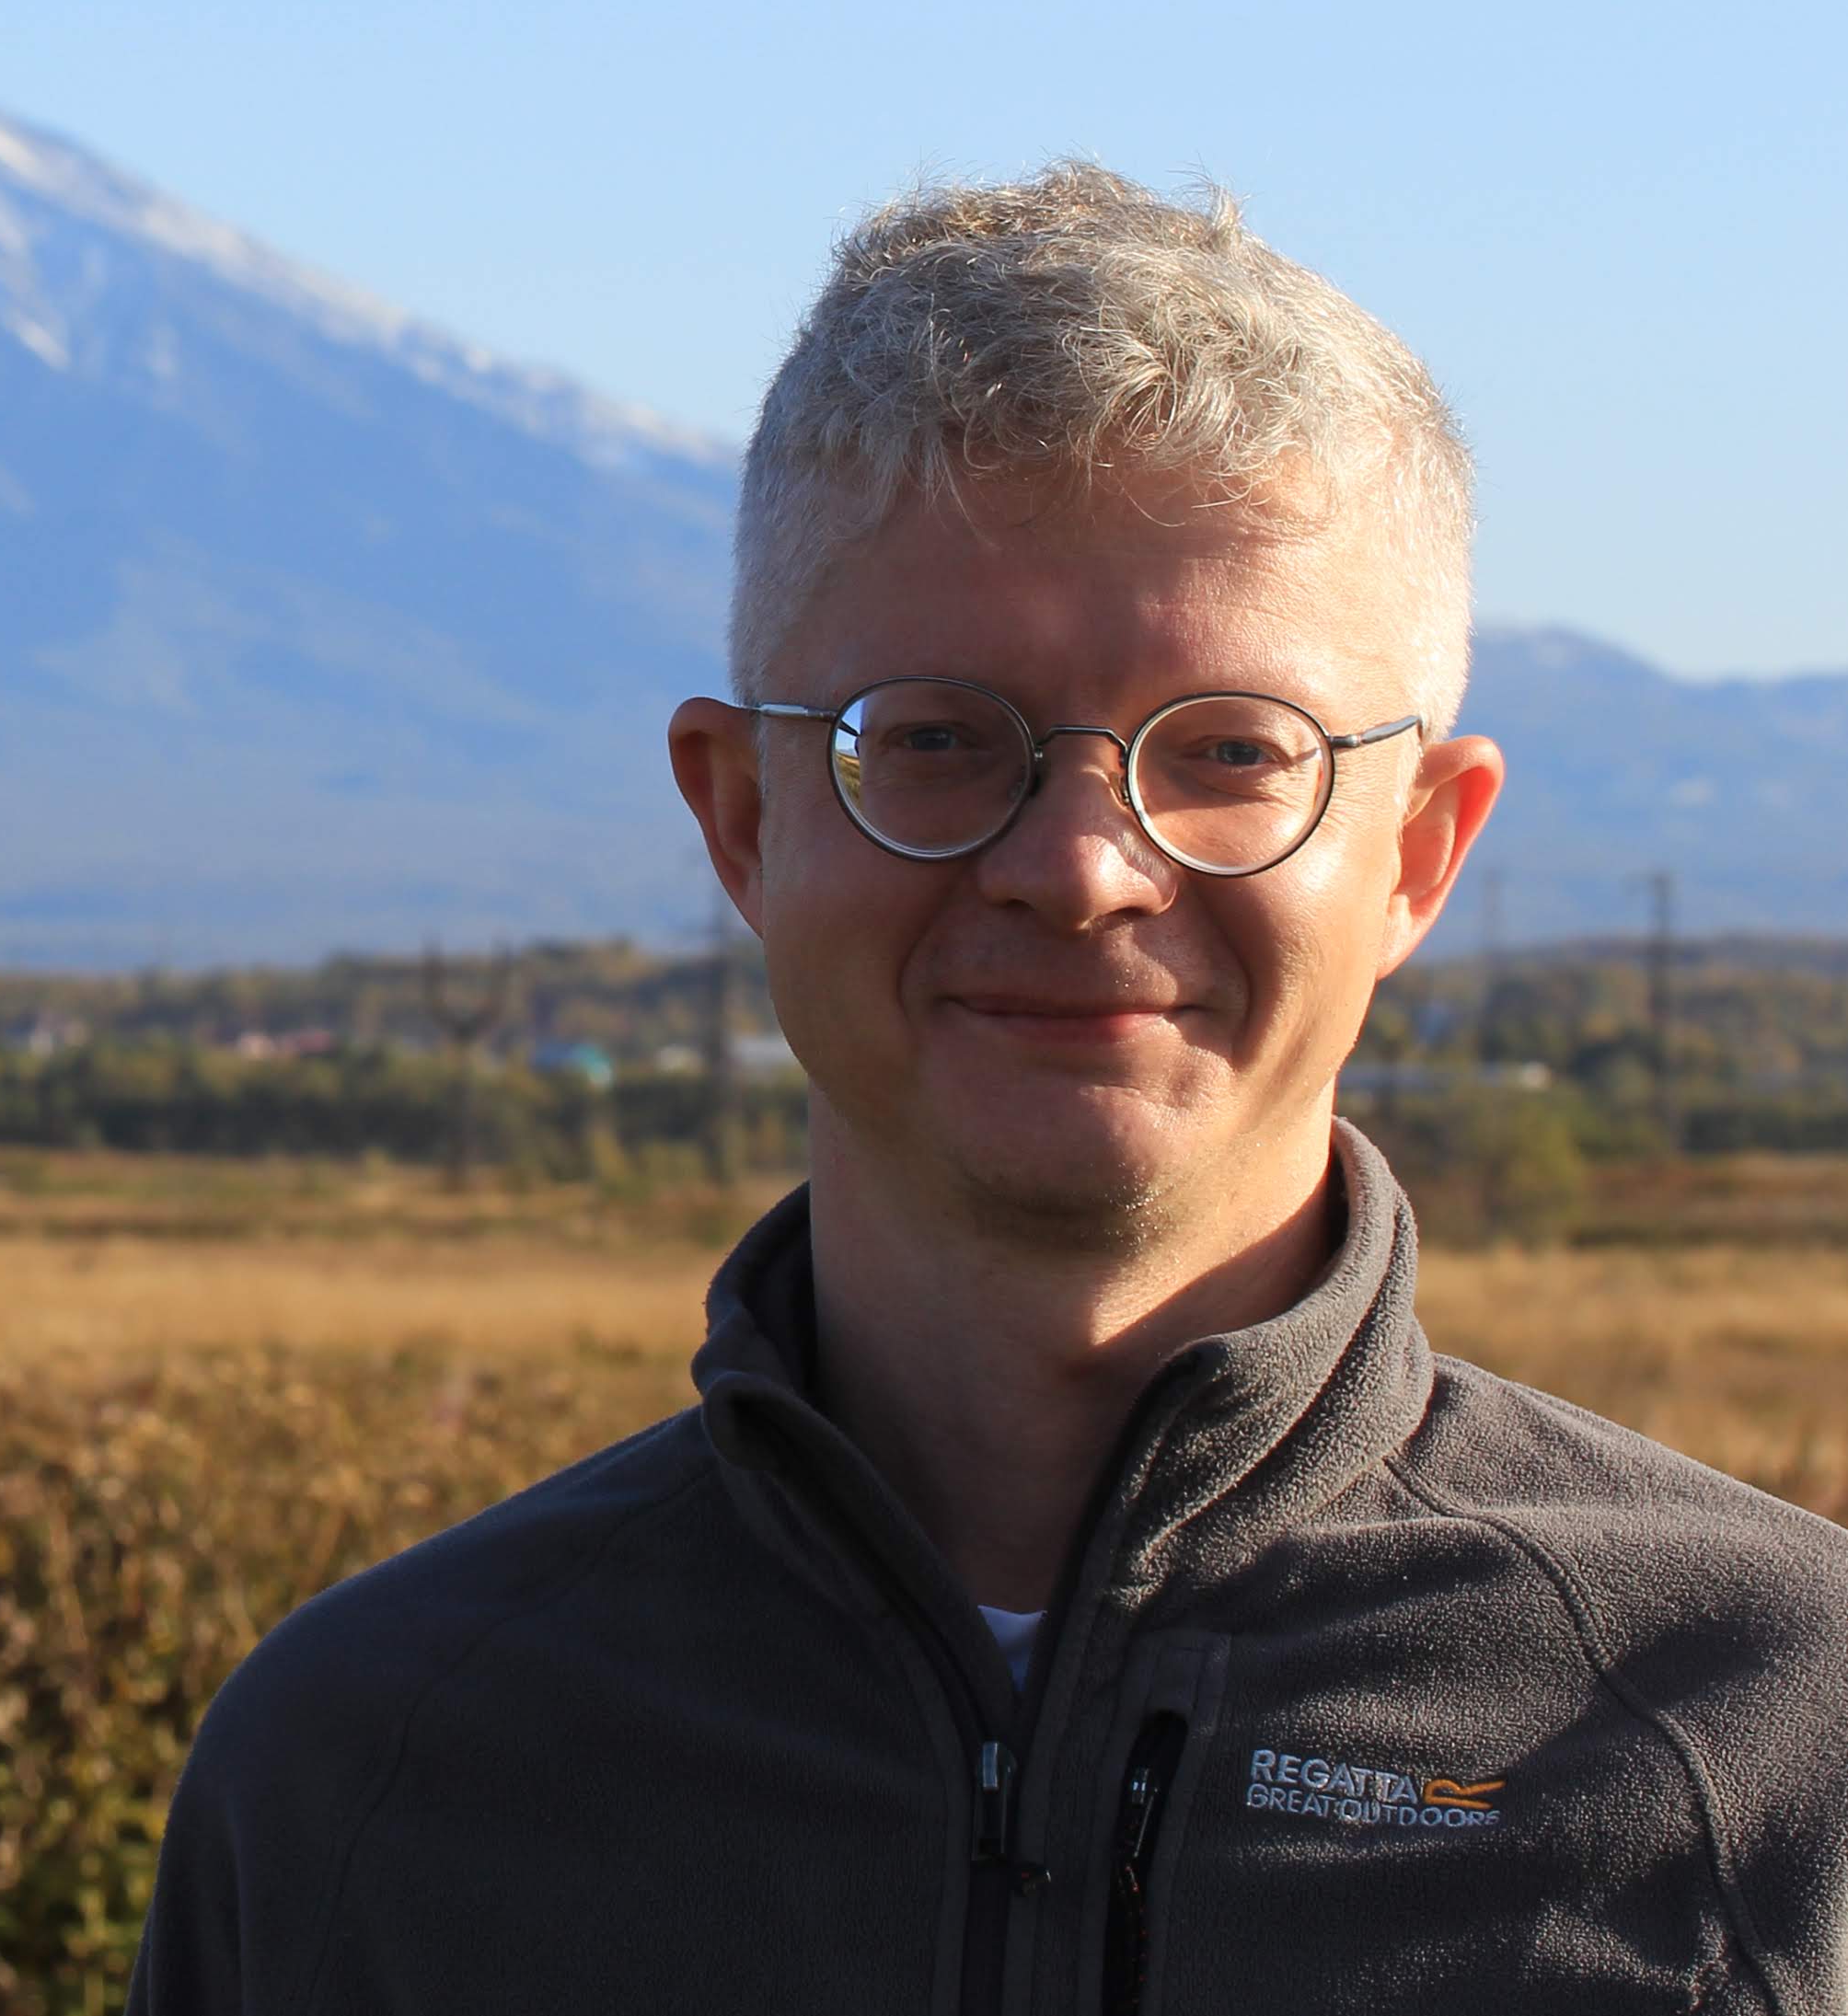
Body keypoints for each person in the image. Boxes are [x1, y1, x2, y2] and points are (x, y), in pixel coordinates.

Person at [123, 166, 1848, 2014]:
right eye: (935, 739)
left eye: (1230, 752)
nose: (1080, 864)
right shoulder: (375, 1771)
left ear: (1420, 848)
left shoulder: (1770, 1745)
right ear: (739, 811)